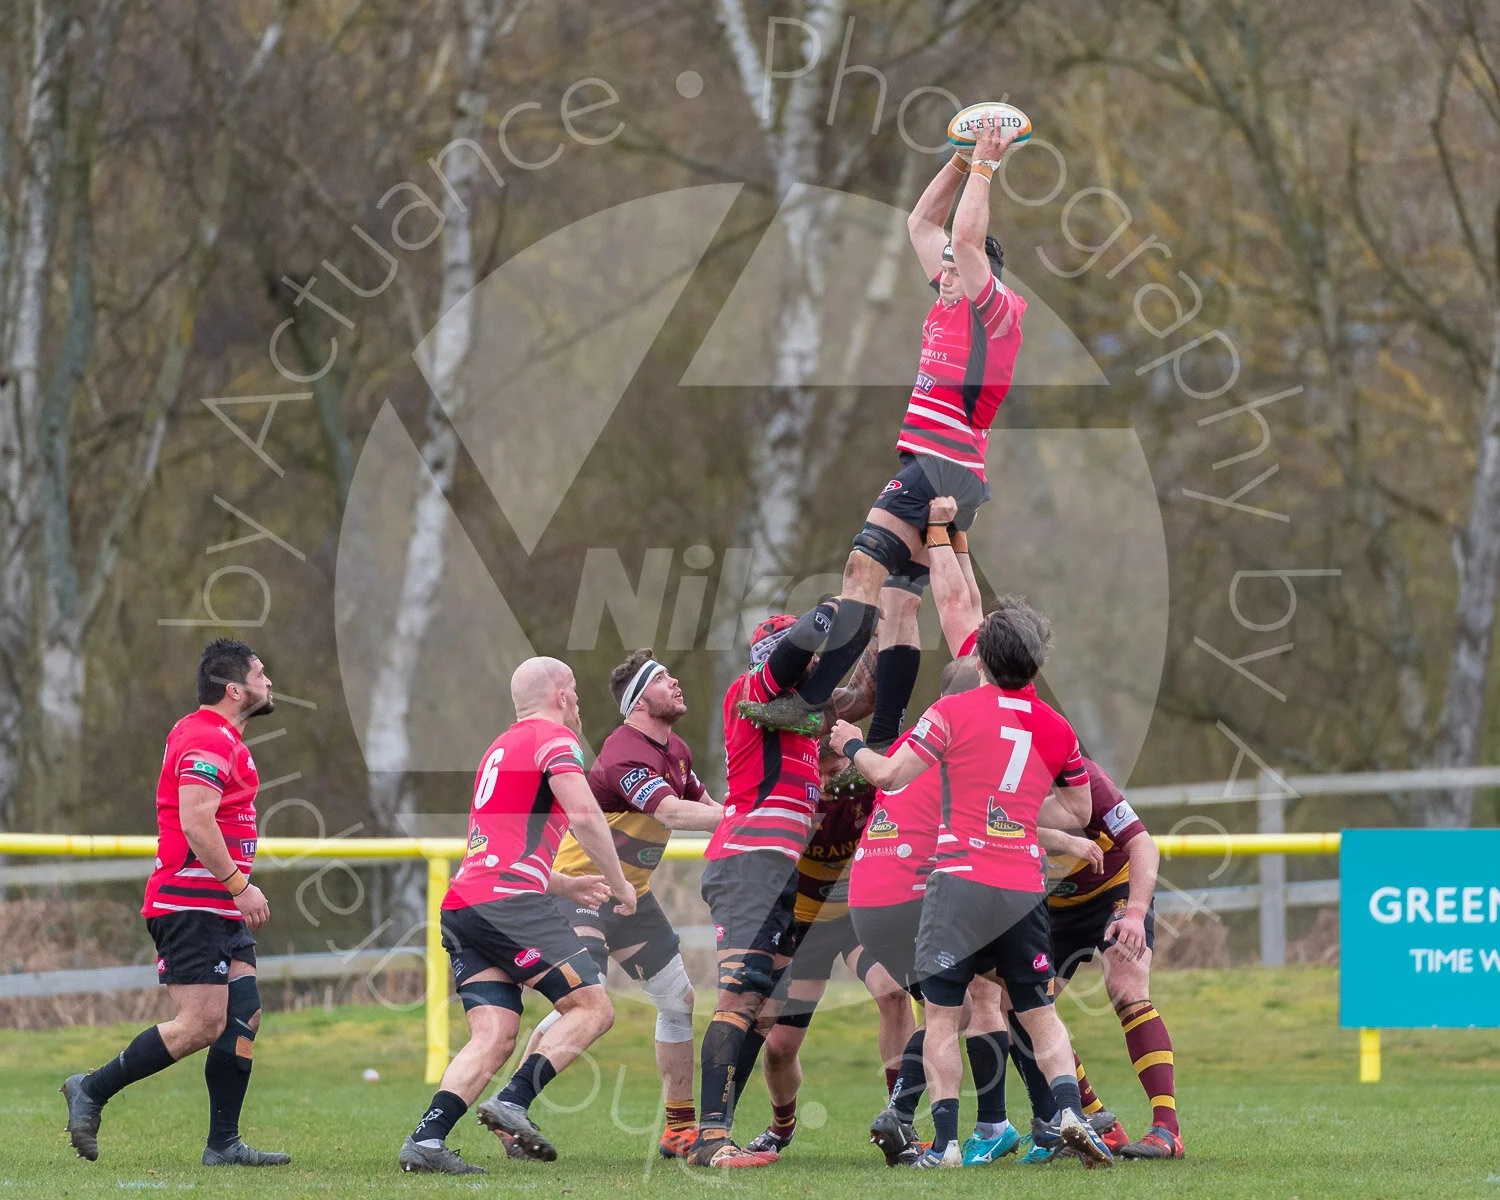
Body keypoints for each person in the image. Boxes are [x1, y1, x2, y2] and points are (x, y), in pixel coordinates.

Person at [740, 119, 1030, 736]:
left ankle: (810, 699)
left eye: (953, 269)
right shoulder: (951, 301)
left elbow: (966, 245)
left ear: (982, 278)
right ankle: (886, 739)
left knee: (858, 574)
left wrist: (984, 165)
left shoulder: (995, 314)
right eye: (945, 269)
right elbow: (922, 225)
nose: (942, 274)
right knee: (900, 607)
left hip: (938, 465)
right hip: (945, 469)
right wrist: (956, 160)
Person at [829, 598, 1114, 1168]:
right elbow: (1078, 809)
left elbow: (888, 774)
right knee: (1038, 1011)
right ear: (1036, 665)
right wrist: (1018, 804)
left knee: (942, 1015)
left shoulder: (953, 713)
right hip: (1021, 888)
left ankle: (951, 1144)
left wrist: (849, 744)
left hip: (958, 883)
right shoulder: (1057, 729)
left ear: (981, 657)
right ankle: (1067, 1116)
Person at [398, 657, 636, 1174]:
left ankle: (427, 1141)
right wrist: (620, 883)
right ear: (562, 695)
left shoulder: (499, 749)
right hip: (508, 907)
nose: (577, 700)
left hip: (467, 905)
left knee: (495, 1035)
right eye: (574, 688)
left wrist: (566, 883)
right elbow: (585, 814)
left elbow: (495, 850)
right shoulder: (555, 740)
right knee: (593, 1008)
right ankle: (514, 1104)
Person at [62, 640, 288, 1167]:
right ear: (235, 690)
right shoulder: (208, 737)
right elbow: (195, 819)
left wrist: (233, 891)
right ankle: (90, 1088)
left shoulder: (219, 736)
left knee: (244, 1015)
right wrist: (239, 884)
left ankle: (224, 1145)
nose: (269, 681)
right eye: (261, 673)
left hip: (218, 906)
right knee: (201, 1024)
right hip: (193, 904)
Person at [499, 649, 722, 1161]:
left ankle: (679, 1128)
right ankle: (512, 1106)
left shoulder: (677, 749)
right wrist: (742, 820)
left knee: (678, 999)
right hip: (583, 892)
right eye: (664, 679)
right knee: (587, 1002)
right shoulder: (625, 751)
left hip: (631, 897)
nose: (677, 682)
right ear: (640, 699)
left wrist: (754, 817)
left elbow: (706, 808)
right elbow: (674, 813)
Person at [688, 602, 873, 1168]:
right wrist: (827, 615)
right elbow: (793, 652)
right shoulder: (756, 689)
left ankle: (715, 1136)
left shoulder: (795, 714)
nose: (814, 668)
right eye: (808, 661)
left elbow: (861, 698)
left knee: (763, 1013)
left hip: (775, 871)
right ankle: (711, 1140)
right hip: (747, 863)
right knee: (739, 1000)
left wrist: (883, 613)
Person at [742, 746, 915, 1157]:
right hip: (804, 929)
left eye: (835, 770)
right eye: (817, 772)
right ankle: (781, 1128)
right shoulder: (791, 796)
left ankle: (900, 1120)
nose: (826, 782)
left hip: (858, 918)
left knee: (894, 994)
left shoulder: (869, 785)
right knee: (780, 1049)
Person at [1009, 756, 1184, 1160]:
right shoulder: (994, 780)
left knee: (1126, 988)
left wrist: (1136, 914)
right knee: (1023, 1009)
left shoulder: (1085, 778)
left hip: (1113, 891)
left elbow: (1143, 844)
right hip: (1048, 906)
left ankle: (1167, 1129)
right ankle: (1097, 1123)